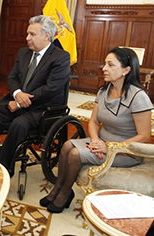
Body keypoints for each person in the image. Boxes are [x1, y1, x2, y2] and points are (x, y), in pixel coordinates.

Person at [40, 47, 153, 213]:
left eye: (110, 65)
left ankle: (65, 193)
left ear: (126, 70)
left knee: (75, 154)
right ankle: (57, 188)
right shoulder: (104, 91)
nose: (104, 68)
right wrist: (96, 140)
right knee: (66, 146)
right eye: (105, 64)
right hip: (102, 142)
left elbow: (144, 137)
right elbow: (93, 121)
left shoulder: (138, 97)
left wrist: (109, 147)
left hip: (126, 151)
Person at [0, 15, 70, 175]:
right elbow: (12, 78)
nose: (27, 38)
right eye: (27, 34)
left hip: (43, 109)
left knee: (19, 124)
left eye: (32, 34)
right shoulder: (23, 53)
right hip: (17, 100)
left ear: (46, 35)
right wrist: (18, 94)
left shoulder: (60, 57)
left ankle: (3, 168)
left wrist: (20, 103)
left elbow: (51, 89)